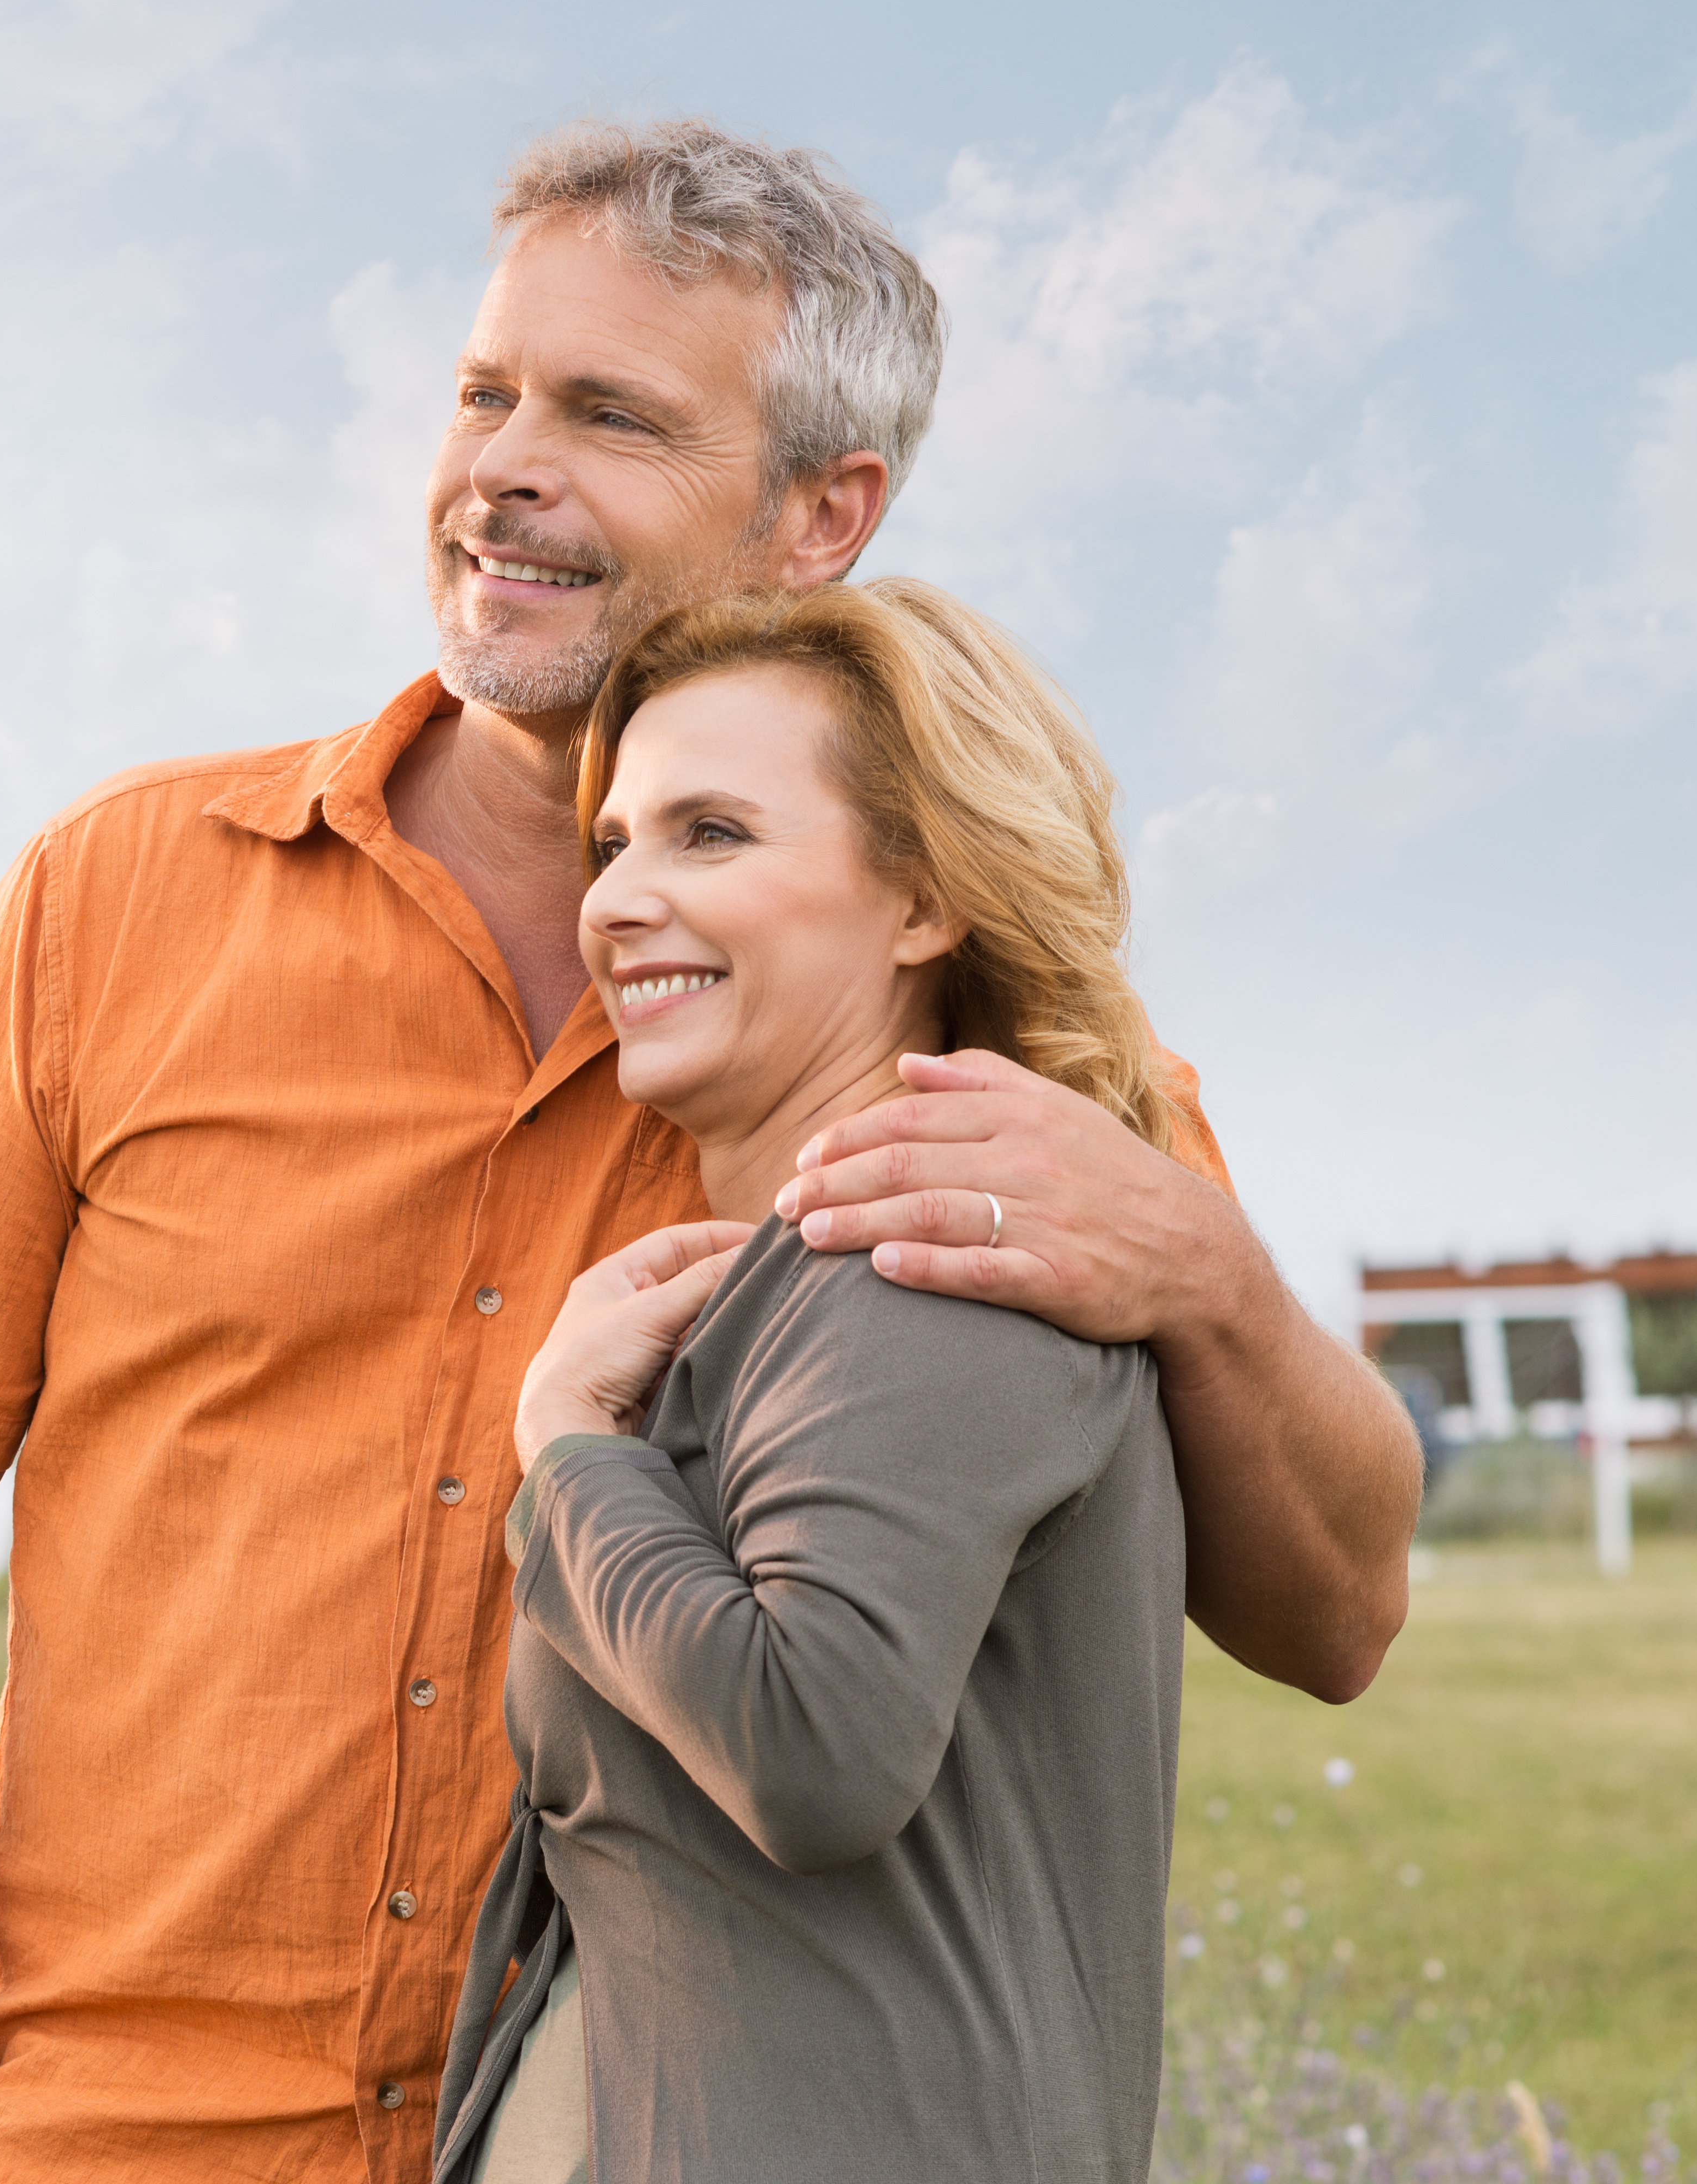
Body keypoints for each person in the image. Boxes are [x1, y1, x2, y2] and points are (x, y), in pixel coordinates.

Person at [0, 117, 1419, 2184]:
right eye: (484, 393)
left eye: (608, 415)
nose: (499, 469)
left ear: (825, 511)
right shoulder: (116, 900)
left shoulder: (996, 1057)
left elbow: (1337, 1619)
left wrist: (1208, 1278)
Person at [437, 577, 1189, 2184]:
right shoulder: (801, 1280)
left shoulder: (923, 1257)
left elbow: (811, 1745)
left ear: (922, 899)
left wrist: (567, 1448)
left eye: (711, 834)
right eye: (615, 843)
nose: (620, 899)